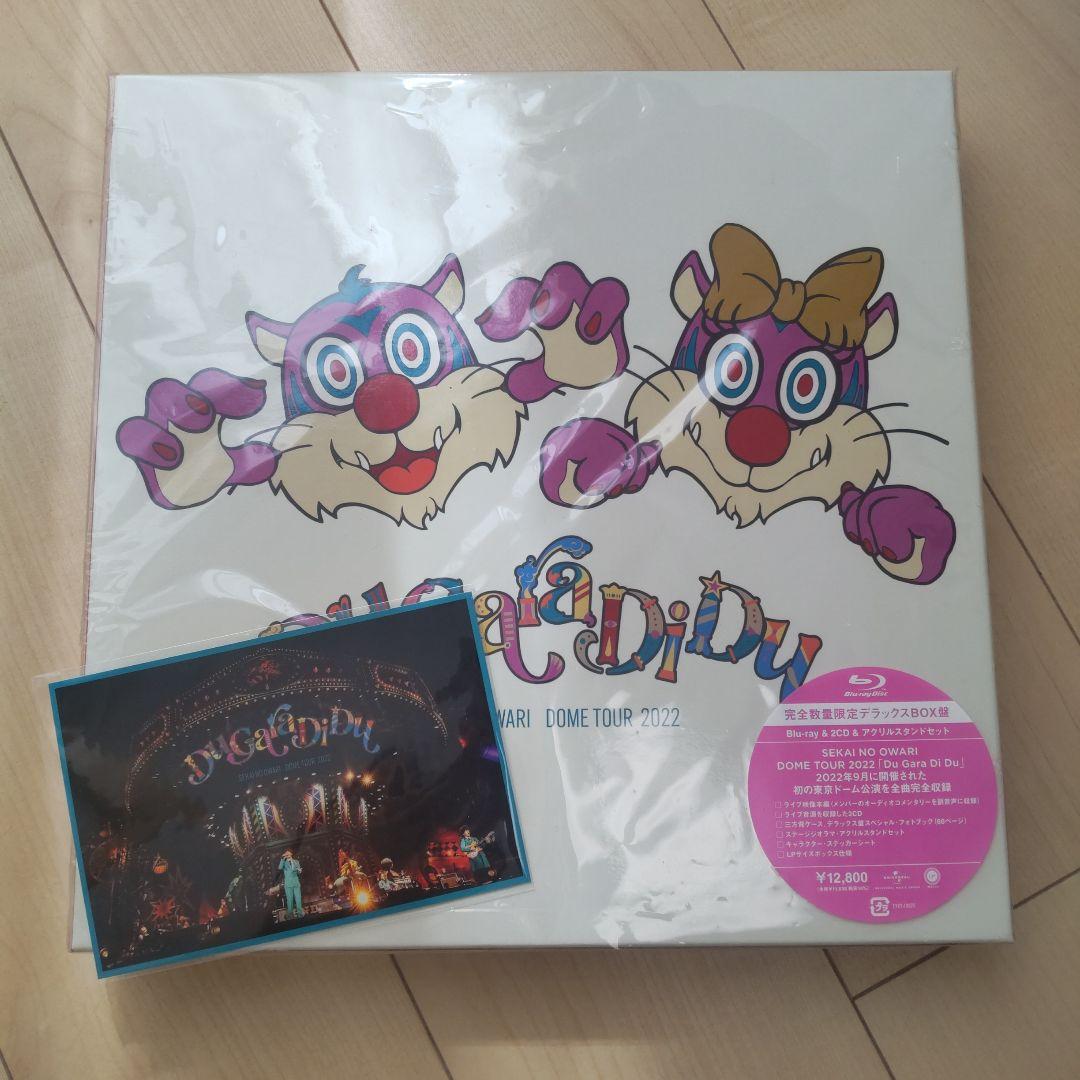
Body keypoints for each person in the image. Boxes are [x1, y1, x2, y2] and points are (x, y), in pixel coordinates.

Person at [278, 849, 303, 918]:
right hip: (288, 884)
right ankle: (290, 915)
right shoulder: (284, 862)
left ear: (291, 854)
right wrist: (282, 858)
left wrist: (299, 871)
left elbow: (298, 872)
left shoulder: (296, 861)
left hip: (296, 883)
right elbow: (280, 867)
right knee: (290, 900)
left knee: (298, 899)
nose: (287, 854)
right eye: (286, 853)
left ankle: (300, 914)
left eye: (288, 853)